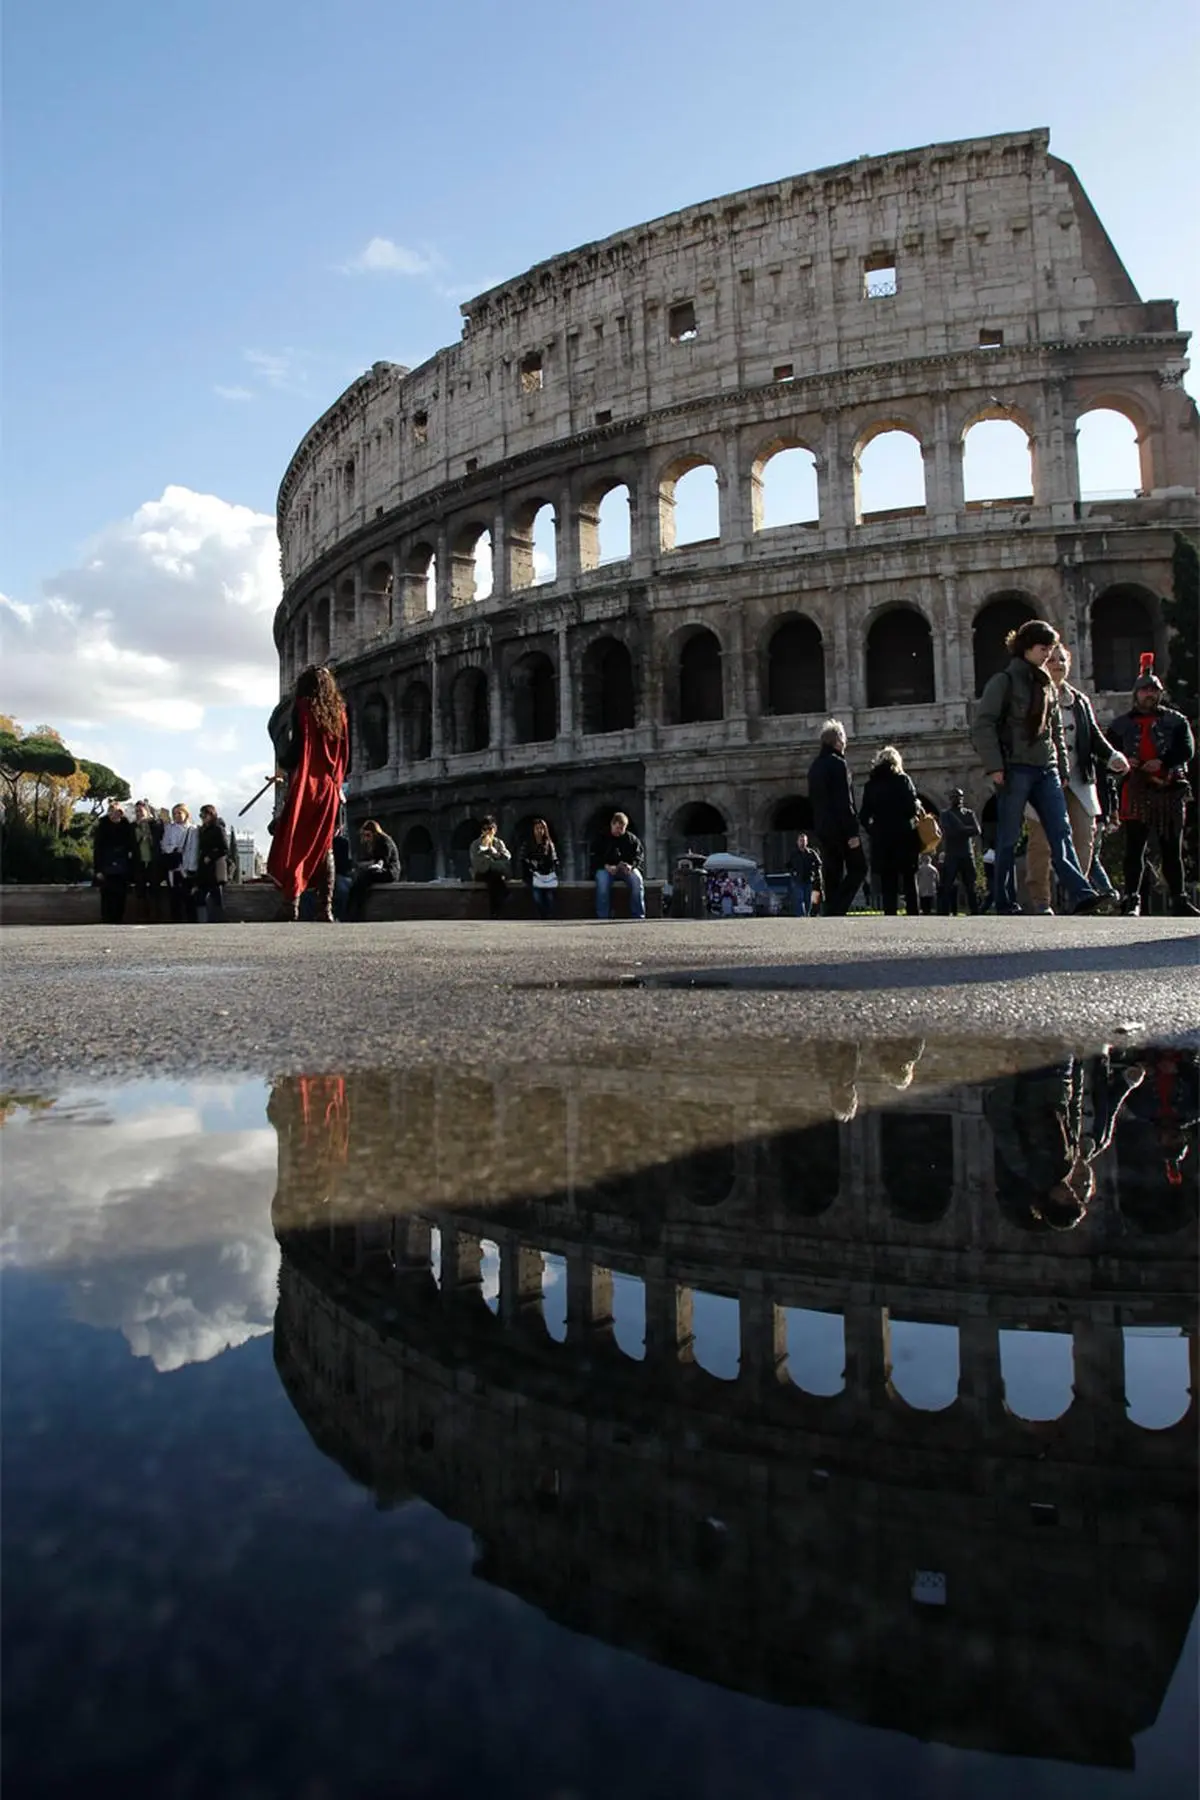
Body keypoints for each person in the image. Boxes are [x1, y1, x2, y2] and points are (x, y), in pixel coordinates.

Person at [970, 619, 1104, 917]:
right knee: (1008, 837)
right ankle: (1004, 901)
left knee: (1061, 831)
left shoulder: (1046, 684)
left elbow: (1055, 727)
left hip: (1046, 768)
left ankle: (1080, 892)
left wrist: (1061, 766)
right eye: (1043, 648)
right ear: (1027, 647)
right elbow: (982, 726)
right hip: (1014, 767)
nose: (1048, 654)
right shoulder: (1004, 682)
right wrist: (994, 766)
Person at [1024, 642, 1129, 915]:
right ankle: (1040, 901)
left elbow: (1093, 736)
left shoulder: (1079, 700)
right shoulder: (1032, 696)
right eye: (1052, 659)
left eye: (1062, 659)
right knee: (1041, 843)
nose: (1057, 663)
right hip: (1043, 779)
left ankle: (1078, 898)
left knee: (1084, 838)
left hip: (1080, 779)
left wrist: (1113, 756)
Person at [1106, 655, 1198, 917]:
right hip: (1136, 790)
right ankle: (1133, 899)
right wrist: (1125, 760)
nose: (1149, 695)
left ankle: (1179, 900)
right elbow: (1108, 753)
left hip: (1170, 790)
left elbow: (1187, 749)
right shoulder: (1121, 725)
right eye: (1145, 690)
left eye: (1154, 690)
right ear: (1136, 694)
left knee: (1172, 849)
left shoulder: (1176, 721)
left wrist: (1163, 762)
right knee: (1135, 849)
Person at [267, 665, 349, 922]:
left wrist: (283, 766)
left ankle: (290, 904)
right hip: (330, 788)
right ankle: (325, 909)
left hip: (307, 787)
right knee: (325, 847)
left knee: (294, 842)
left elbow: (296, 749)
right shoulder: (340, 713)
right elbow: (345, 755)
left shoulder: (303, 708)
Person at [807, 720, 865, 918]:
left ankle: (831, 913)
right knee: (859, 868)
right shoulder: (838, 764)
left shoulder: (815, 766)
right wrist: (853, 832)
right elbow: (844, 802)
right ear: (838, 740)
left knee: (833, 871)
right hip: (841, 827)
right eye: (844, 737)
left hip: (822, 826)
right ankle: (836, 908)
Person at [859, 745, 921, 917]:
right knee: (909, 878)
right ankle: (913, 913)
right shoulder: (903, 780)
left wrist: (873, 830)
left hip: (882, 838)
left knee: (888, 880)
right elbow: (911, 808)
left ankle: (890, 915)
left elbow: (863, 815)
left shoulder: (871, 785)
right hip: (904, 835)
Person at [344, 819, 401, 921]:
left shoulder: (384, 841)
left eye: (368, 835)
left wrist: (369, 867)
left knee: (364, 878)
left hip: (390, 872)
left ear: (374, 833)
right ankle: (351, 911)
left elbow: (381, 862)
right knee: (359, 881)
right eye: (365, 835)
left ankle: (356, 911)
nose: (366, 838)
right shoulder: (376, 842)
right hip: (383, 869)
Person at [594, 811, 646, 920]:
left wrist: (631, 866)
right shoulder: (601, 837)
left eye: (622, 828)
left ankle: (638, 915)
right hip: (606, 868)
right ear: (612, 824)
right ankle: (603, 916)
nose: (620, 831)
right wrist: (606, 866)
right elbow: (594, 856)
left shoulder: (631, 839)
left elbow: (639, 856)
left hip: (626, 868)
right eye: (618, 828)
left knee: (637, 880)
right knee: (602, 884)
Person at [937, 788, 981, 914]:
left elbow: (977, 830)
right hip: (952, 854)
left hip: (967, 853)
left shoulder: (969, 813)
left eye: (960, 796)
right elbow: (949, 832)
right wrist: (966, 830)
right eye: (955, 796)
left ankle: (974, 910)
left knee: (971, 884)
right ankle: (945, 912)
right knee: (947, 884)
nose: (958, 799)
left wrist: (960, 829)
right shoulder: (946, 814)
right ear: (950, 798)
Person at [92, 801, 136, 924]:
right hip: (106, 864)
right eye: (112, 811)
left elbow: (131, 846)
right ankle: (106, 918)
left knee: (121, 894)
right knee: (107, 894)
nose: (115, 814)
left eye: (118, 812)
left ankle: (118, 918)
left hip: (122, 865)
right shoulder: (102, 826)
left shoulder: (126, 826)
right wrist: (98, 870)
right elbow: (97, 849)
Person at [160, 803, 198, 922]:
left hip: (189, 867)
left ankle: (191, 921)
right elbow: (164, 846)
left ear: (186, 814)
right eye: (174, 814)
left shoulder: (193, 829)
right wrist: (175, 849)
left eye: (179, 813)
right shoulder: (169, 828)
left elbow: (195, 848)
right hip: (174, 866)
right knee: (174, 897)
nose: (177, 816)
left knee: (189, 897)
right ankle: (176, 921)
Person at [470, 816, 513, 917]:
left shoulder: (498, 843)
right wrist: (493, 861)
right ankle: (502, 899)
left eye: (490, 829)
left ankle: (494, 912)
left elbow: (507, 858)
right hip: (481, 873)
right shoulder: (475, 844)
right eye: (485, 829)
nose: (487, 832)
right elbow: (478, 864)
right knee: (495, 878)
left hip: (495, 874)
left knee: (494, 879)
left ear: (495, 829)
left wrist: (495, 853)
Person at [194, 804, 231, 922]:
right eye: (201, 815)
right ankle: (205, 920)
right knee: (202, 894)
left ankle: (219, 920)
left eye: (204, 815)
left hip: (215, 868)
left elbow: (225, 848)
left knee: (216, 895)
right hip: (204, 867)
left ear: (211, 815)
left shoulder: (218, 829)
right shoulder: (203, 829)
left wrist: (211, 856)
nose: (202, 818)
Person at [130, 799, 165, 921]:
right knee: (140, 889)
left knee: (155, 888)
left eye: (141, 810)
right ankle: (142, 915)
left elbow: (159, 836)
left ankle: (156, 915)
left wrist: (150, 823)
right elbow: (131, 843)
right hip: (139, 861)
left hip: (153, 861)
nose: (139, 813)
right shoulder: (133, 826)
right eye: (137, 811)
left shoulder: (155, 824)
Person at [520, 818, 560, 921]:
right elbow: (523, 859)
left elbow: (554, 860)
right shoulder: (528, 844)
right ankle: (541, 917)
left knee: (549, 898)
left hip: (547, 875)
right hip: (533, 876)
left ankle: (548, 918)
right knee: (537, 897)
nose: (539, 831)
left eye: (541, 828)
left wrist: (550, 866)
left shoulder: (549, 844)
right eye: (537, 828)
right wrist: (532, 866)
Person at [787, 832, 822, 917]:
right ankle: (800, 916)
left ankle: (807, 915)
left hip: (808, 879)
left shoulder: (811, 853)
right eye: (800, 840)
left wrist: (814, 872)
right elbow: (788, 865)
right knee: (799, 898)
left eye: (804, 841)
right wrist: (793, 873)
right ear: (797, 842)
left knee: (808, 900)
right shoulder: (794, 854)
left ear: (807, 842)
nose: (802, 842)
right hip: (798, 880)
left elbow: (819, 863)